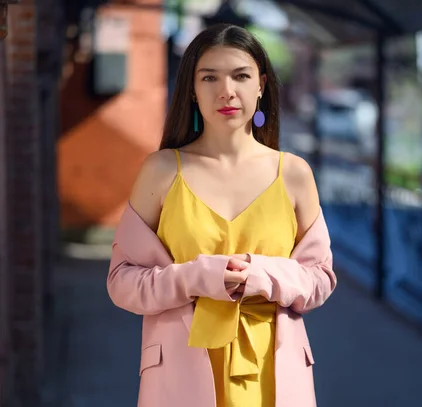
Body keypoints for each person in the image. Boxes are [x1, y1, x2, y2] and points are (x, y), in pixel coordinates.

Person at [107, 23, 336, 407]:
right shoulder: (162, 171)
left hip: (275, 374)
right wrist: (198, 277)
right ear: (193, 90)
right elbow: (122, 281)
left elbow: (320, 278)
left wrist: (261, 275)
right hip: (180, 375)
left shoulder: (294, 173)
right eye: (209, 77)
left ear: (260, 84)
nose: (226, 91)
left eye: (241, 76)